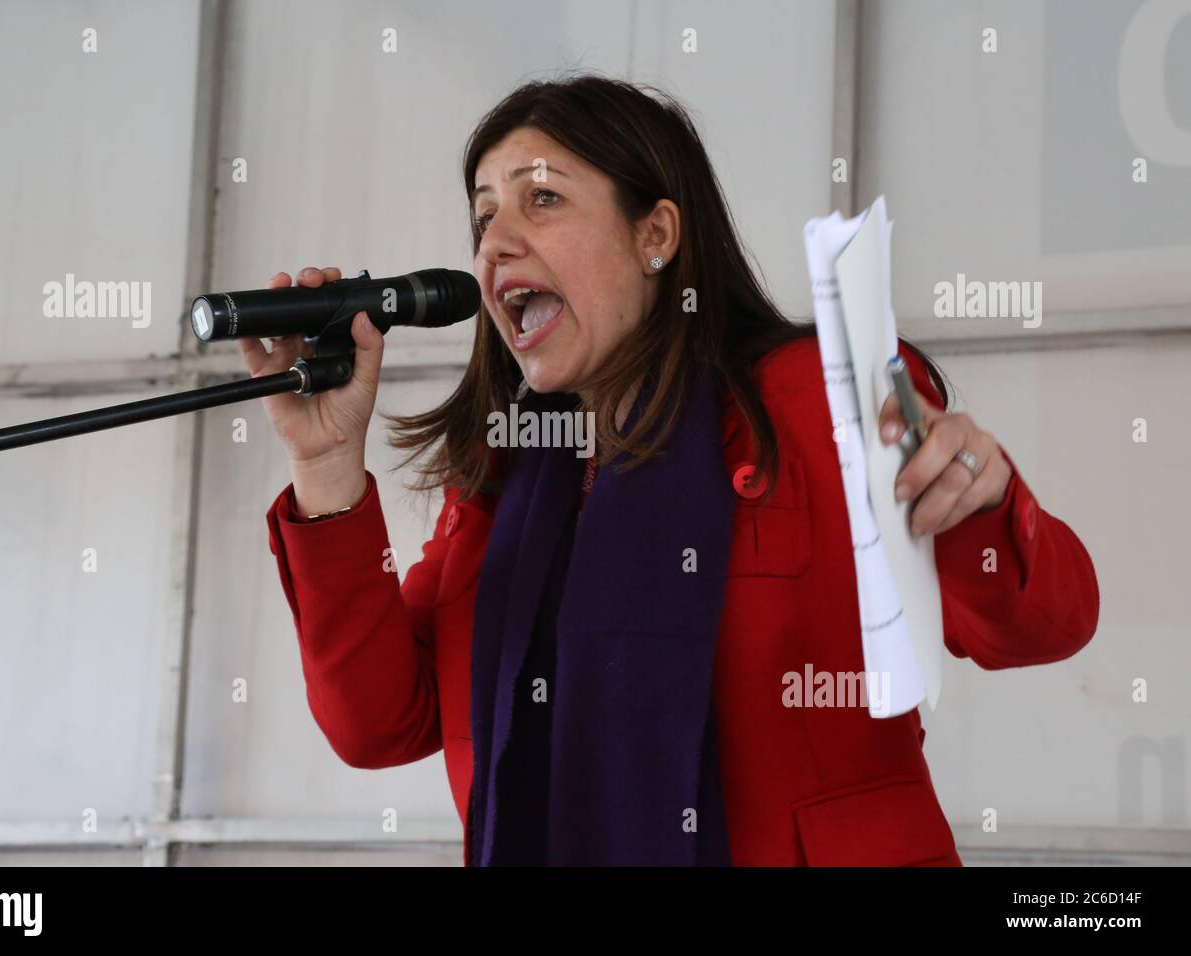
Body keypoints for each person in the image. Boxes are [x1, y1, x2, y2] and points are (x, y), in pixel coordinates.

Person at [240, 74, 1099, 866]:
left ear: (655, 235)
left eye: (541, 199)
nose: (495, 244)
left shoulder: (815, 398)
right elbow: (379, 725)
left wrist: (981, 505)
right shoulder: (504, 472)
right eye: (483, 217)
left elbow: (1039, 626)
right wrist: (325, 465)